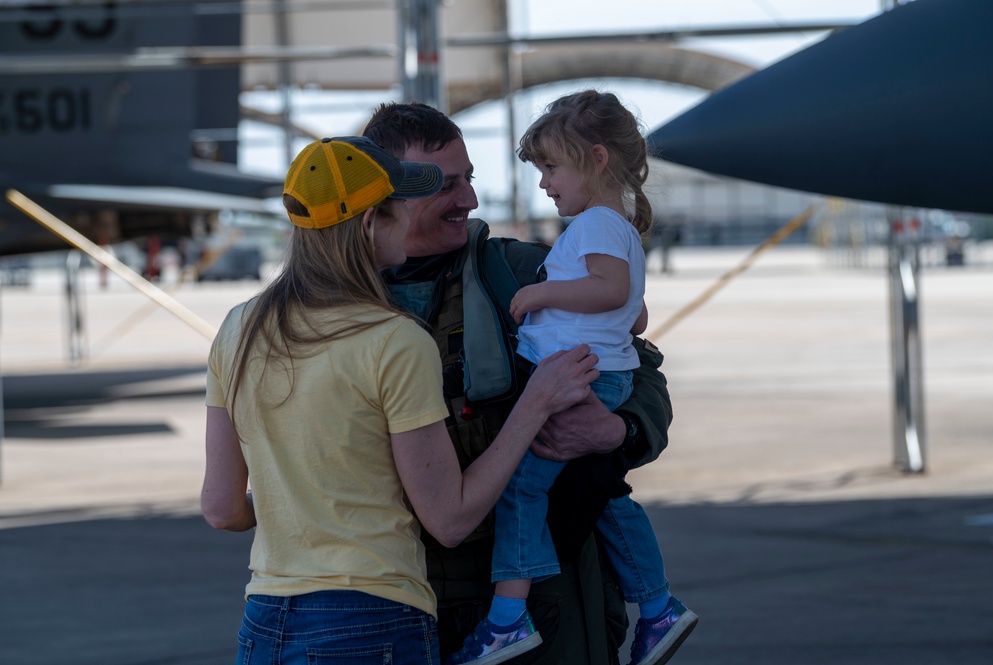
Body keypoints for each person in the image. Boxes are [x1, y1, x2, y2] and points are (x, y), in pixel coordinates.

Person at [201, 136, 599, 664]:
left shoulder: (239, 327)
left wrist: (308, 499)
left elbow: (223, 508)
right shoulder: (393, 339)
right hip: (370, 621)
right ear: (370, 225)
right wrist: (535, 405)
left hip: (266, 621)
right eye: (396, 208)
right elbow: (450, 520)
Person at [362, 103, 677, 665]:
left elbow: (640, 367)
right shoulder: (340, 302)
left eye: (470, 180)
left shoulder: (529, 270)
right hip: (397, 592)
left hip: (545, 598)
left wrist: (618, 430)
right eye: (443, 186)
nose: (470, 202)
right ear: (386, 195)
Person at [447, 91, 697, 665]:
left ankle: (508, 619)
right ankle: (657, 607)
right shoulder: (613, 228)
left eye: (551, 167)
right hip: (595, 376)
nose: (543, 183)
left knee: (519, 489)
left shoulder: (596, 227)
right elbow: (632, 313)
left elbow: (612, 295)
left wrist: (541, 293)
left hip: (576, 381)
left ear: (596, 158)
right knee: (606, 495)